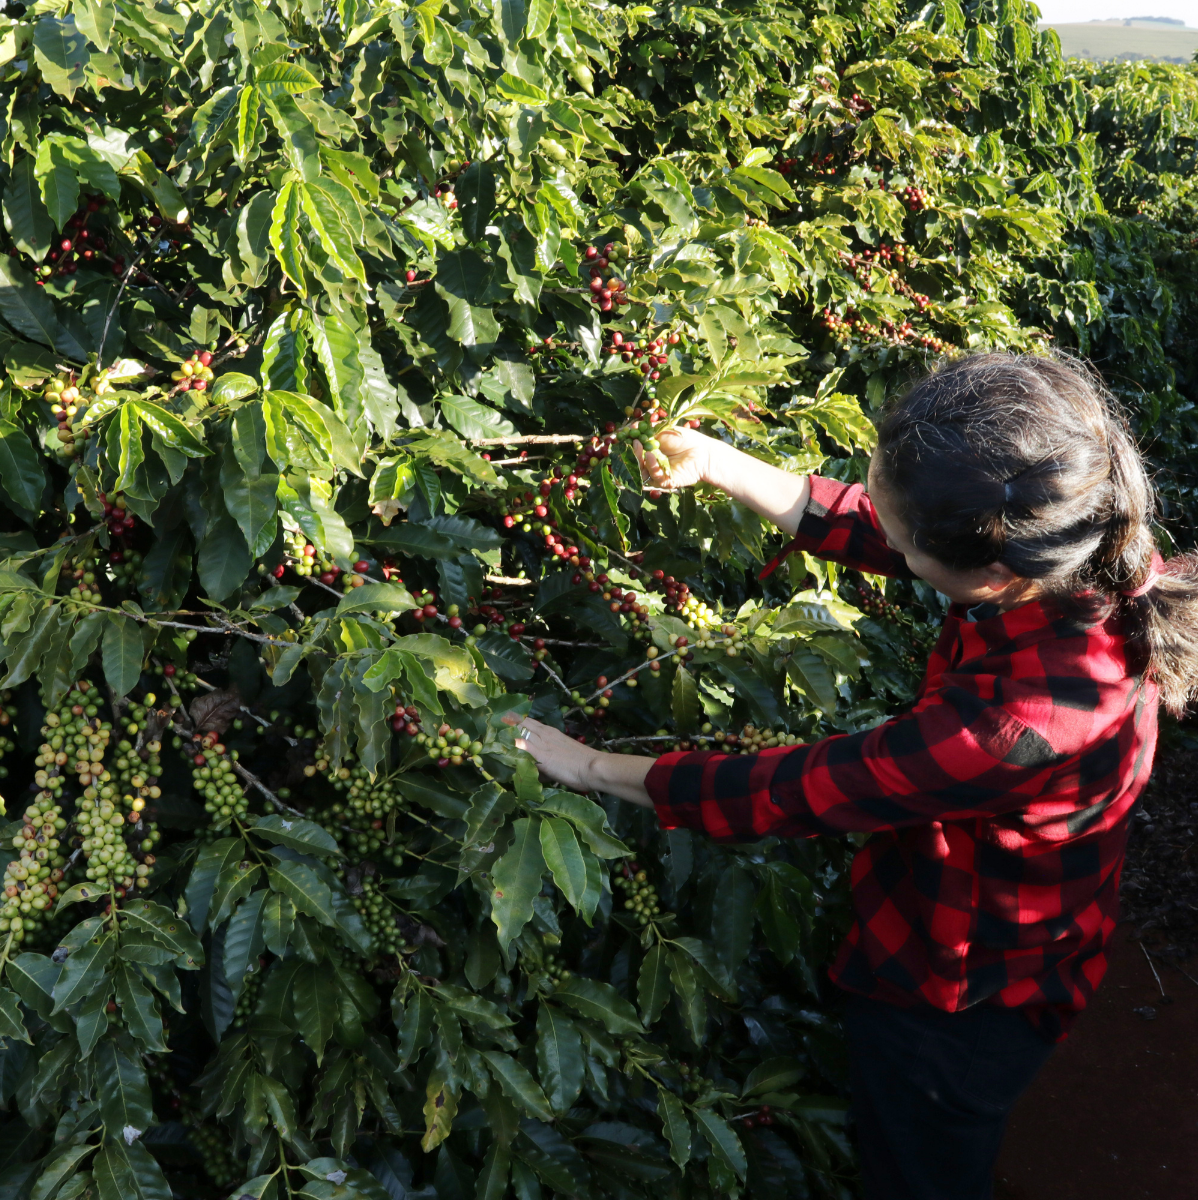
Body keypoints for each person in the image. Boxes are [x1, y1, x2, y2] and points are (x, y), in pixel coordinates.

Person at [510, 352, 1198, 1200]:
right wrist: (718, 463)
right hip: (1037, 920)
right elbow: (892, 524)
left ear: (991, 572)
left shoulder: (1021, 725)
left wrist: (583, 764)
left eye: (909, 547)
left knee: (921, 1167)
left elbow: (798, 789)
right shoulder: (1080, 537)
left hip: (961, 993)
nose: (893, 542)